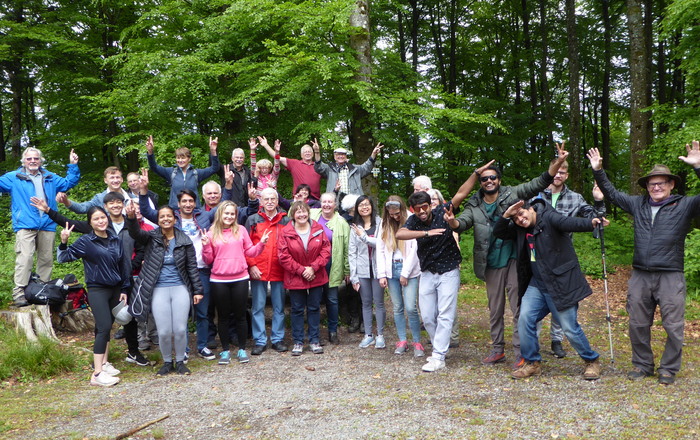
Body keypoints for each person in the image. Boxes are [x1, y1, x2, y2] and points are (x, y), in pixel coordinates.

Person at [588, 142, 700, 385]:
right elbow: (612, 194)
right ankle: (642, 365)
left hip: (671, 275)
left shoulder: (684, 205)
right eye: (652, 183)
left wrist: (698, 166)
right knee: (637, 323)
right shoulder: (638, 204)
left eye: (661, 182)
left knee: (673, 326)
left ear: (671, 185)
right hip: (640, 274)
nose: (656, 186)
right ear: (647, 187)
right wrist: (598, 170)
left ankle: (668, 368)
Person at [449, 148, 569, 369]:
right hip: (490, 263)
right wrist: (452, 222)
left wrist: (558, 162)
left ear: (499, 180)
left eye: (492, 177)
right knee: (495, 309)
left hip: (515, 258)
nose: (489, 181)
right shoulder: (473, 204)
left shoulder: (512, 193)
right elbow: (462, 223)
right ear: (480, 182)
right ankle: (497, 350)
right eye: (484, 178)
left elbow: (540, 182)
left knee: (518, 308)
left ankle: (519, 351)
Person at [32, 192, 151, 368]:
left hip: (123, 280)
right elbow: (68, 225)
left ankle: (133, 352)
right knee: (104, 324)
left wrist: (131, 266)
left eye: (119, 202)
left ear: (123, 204)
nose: (116, 205)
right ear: (106, 208)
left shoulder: (130, 224)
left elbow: (140, 246)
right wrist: (49, 211)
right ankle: (102, 364)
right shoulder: (94, 230)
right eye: (111, 203)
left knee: (128, 318)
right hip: (99, 284)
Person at [493, 200, 606, 380]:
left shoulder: (549, 217)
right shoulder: (520, 228)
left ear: (531, 209)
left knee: (569, 328)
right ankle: (532, 362)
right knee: (524, 320)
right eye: (516, 218)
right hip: (537, 284)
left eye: (522, 214)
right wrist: (507, 215)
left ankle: (591, 360)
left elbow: (568, 223)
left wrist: (590, 222)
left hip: (559, 284)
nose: (520, 219)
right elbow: (498, 232)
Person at [397, 169, 488, 372]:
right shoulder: (414, 221)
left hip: (448, 271)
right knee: (428, 316)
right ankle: (439, 349)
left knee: (445, 314)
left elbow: (461, 193)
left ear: (430, 205)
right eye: (417, 208)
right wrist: (426, 233)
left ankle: (438, 356)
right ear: (413, 209)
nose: (422, 211)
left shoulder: (442, 211)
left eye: (424, 207)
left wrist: (475, 174)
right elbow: (399, 233)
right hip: (428, 272)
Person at [530, 150, 606, 359]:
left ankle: (557, 340)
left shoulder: (575, 197)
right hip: (536, 255)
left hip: (562, 257)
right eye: (556, 171)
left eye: (563, 172)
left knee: (561, 301)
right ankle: (531, 347)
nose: (558, 175)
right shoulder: (536, 195)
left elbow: (593, 218)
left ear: (567, 175)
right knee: (533, 307)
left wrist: (599, 203)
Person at [126, 202, 204, 377]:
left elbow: (192, 267)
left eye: (169, 216)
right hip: (158, 289)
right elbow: (135, 233)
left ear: (175, 219)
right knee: (163, 331)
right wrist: (131, 218)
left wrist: (198, 290)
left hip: (180, 288)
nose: (166, 219)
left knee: (180, 329)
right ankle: (167, 362)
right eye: (162, 216)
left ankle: (180, 362)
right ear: (158, 220)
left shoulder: (184, 239)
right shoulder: (151, 238)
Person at [56, 207, 130, 387]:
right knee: (104, 326)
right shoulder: (86, 241)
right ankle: (96, 374)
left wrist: (125, 289)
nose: (101, 221)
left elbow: (123, 265)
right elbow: (63, 258)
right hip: (97, 289)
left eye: (103, 218)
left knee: (106, 326)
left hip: (115, 288)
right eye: (96, 219)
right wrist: (64, 242)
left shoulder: (115, 239)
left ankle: (104, 364)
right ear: (90, 222)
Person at [0, 147, 80, 307]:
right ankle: (19, 293)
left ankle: (42, 290)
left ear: (40, 160)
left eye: (35, 158)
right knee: (25, 258)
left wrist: (73, 165)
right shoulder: (14, 177)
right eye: (29, 159)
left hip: (48, 224)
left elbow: (68, 183)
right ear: (24, 161)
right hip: (25, 224)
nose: (32, 161)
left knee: (46, 260)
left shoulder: (49, 177)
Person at [202, 201, 269, 365]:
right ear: (220, 214)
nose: (229, 216)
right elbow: (208, 259)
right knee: (223, 317)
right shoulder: (212, 233)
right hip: (219, 279)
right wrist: (205, 246)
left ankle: (242, 349)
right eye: (226, 213)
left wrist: (261, 244)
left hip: (240, 278)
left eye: (232, 214)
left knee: (240, 315)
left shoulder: (241, 230)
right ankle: (225, 351)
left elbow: (250, 251)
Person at [278, 201, 331, 356]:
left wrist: (313, 268)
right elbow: (283, 256)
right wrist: (302, 270)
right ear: (293, 215)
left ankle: (314, 340)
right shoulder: (286, 232)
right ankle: (298, 341)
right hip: (295, 276)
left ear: (308, 213)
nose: (301, 215)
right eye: (297, 212)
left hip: (316, 275)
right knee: (297, 310)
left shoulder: (318, 229)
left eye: (304, 211)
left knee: (314, 308)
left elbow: (326, 250)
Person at [245, 188, 291, 355]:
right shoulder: (253, 219)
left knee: (279, 306)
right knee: (258, 306)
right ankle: (260, 340)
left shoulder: (286, 220)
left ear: (277, 201)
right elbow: (247, 245)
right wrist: (251, 265)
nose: (270, 202)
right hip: (259, 269)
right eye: (266, 199)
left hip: (279, 268)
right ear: (261, 201)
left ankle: (278, 339)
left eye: (273, 198)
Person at [376, 196, 423, 356]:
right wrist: (382, 274)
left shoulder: (411, 220)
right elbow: (380, 250)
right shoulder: (384, 223)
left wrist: (405, 273)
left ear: (402, 210)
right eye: (391, 214)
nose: (395, 217)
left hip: (408, 269)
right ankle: (402, 340)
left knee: (411, 307)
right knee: (397, 308)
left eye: (397, 214)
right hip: (390, 270)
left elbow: (415, 249)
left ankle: (417, 342)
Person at [310, 192, 350, 345]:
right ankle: (314, 333)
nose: (326, 204)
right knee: (314, 299)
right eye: (324, 201)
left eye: (330, 202)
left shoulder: (342, 222)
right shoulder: (312, 215)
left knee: (332, 299)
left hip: (333, 263)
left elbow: (347, 248)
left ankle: (332, 331)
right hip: (313, 264)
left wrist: (347, 270)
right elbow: (293, 210)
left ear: (335, 205)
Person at [349, 196, 386, 349]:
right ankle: (368, 335)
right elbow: (352, 252)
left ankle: (380, 335)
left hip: (379, 269)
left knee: (379, 302)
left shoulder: (381, 223)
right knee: (365, 303)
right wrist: (354, 277)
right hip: (362, 270)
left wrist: (364, 237)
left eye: (367, 204)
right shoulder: (355, 227)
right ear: (357, 208)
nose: (364, 207)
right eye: (361, 205)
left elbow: (383, 244)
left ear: (372, 206)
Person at [146, 135, 220, 209]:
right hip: (175, 211)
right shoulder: (171, 172)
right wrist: (150, 152)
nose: (180, 161)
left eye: (183, 158)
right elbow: (154, 167)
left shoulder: (196, 173)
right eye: (178, 158)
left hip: (194, 211)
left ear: (189, 159)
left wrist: (213, 152)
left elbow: (214, 168)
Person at [259, 137, 322, 201]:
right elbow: (278, 158)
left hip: (315, 199)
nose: (307, 153)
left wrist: (317, 151)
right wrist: (266, 145)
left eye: (309, 152)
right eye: (305, 152)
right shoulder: (295, 163)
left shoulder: (318, 167)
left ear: (312, 154)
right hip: (298, 198)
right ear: (301, 155)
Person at [313, 139, 383, 195]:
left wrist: (373, 154)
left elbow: (367, 167)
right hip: (335, 203)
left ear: (346, 157)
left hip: (352, 203)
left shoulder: (355, 169)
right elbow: (319, 167)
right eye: (338, 154)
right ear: (334, 157)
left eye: (343, 154)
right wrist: (317, 152)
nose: (340, 156)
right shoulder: (329, 168)